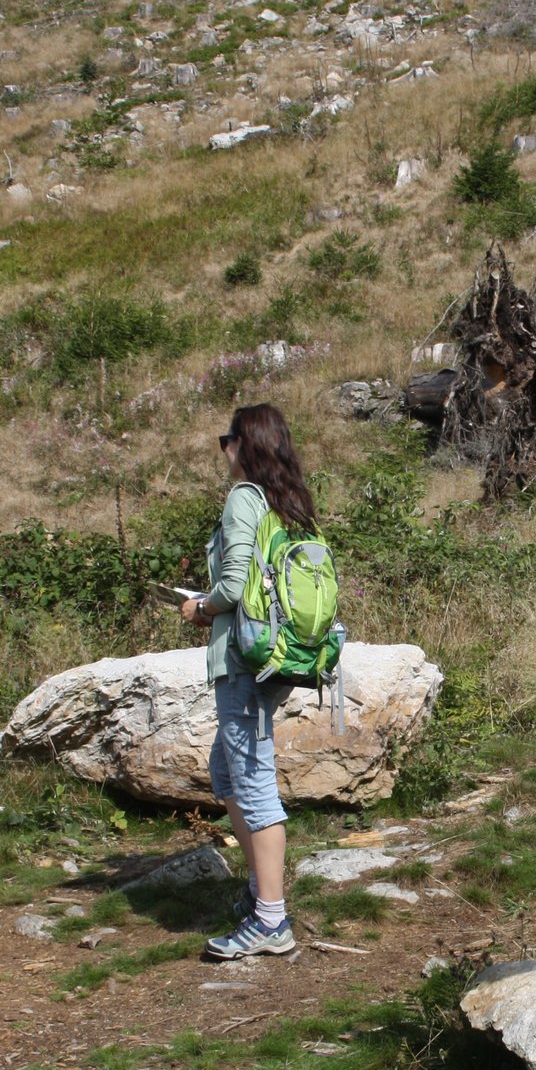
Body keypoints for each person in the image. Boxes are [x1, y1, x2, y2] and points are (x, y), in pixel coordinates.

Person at [184, 403, 314, 960]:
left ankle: (271, 920)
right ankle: (263, 890)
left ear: (244, 444)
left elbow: (234, 586)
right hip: (273, 656)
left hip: (244, 659)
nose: (224, 449)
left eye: (227, 439)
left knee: (253, 782)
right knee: (226, 771)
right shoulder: (288, 500)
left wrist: (200, 607)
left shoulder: (244, 498)